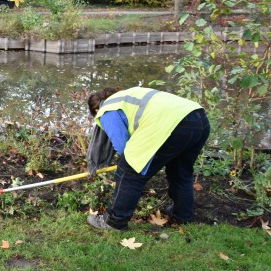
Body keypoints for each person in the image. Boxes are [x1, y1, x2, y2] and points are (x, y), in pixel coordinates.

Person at [86, 86, 210, 231]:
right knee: (180, 173)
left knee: (129, 171)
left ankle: (114, 221)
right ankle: (183, 216)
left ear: (96, 110)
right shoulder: (127, 96)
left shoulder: (107, 109)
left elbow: (122, 147)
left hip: (173, 124)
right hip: (199, 118)